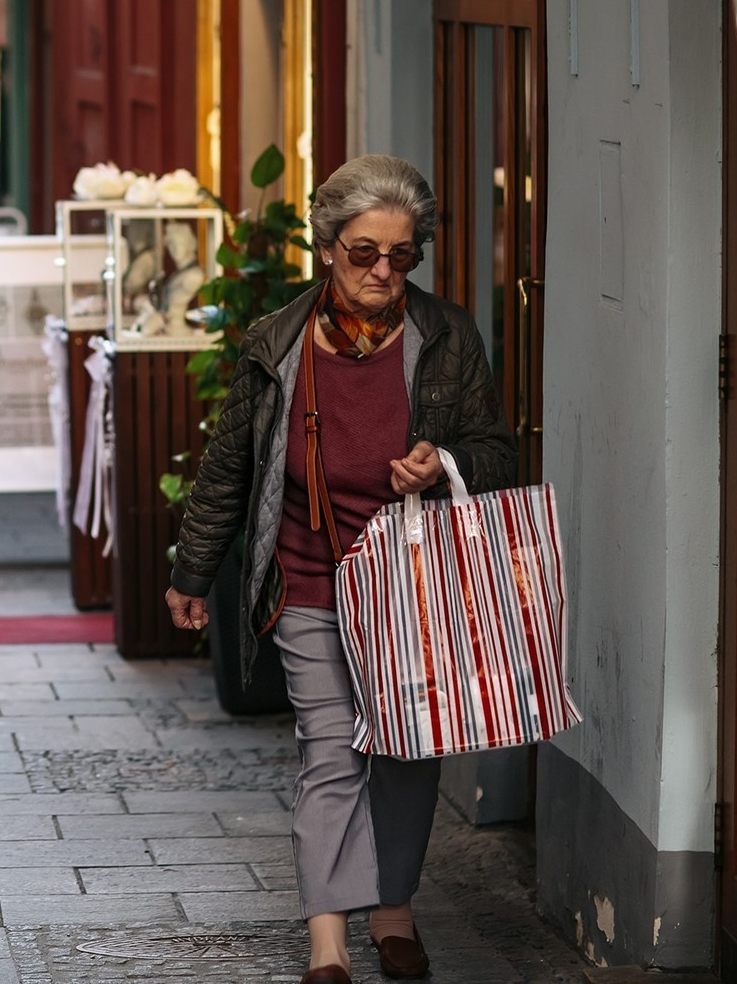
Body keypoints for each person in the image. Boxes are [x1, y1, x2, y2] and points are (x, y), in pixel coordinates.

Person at [163, 155, 516, 984]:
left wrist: (447, 461)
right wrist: (190, 573)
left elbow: (500, 453)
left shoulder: (447, 336)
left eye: (402, 256)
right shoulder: (278, 342)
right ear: (328, 246)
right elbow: (227, 468)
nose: (383, 273)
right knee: (330, 750)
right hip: (311, 579)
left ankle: (392, 909)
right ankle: (328, 944)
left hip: (414, 586)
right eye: (365, 253)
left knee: (404, 751)